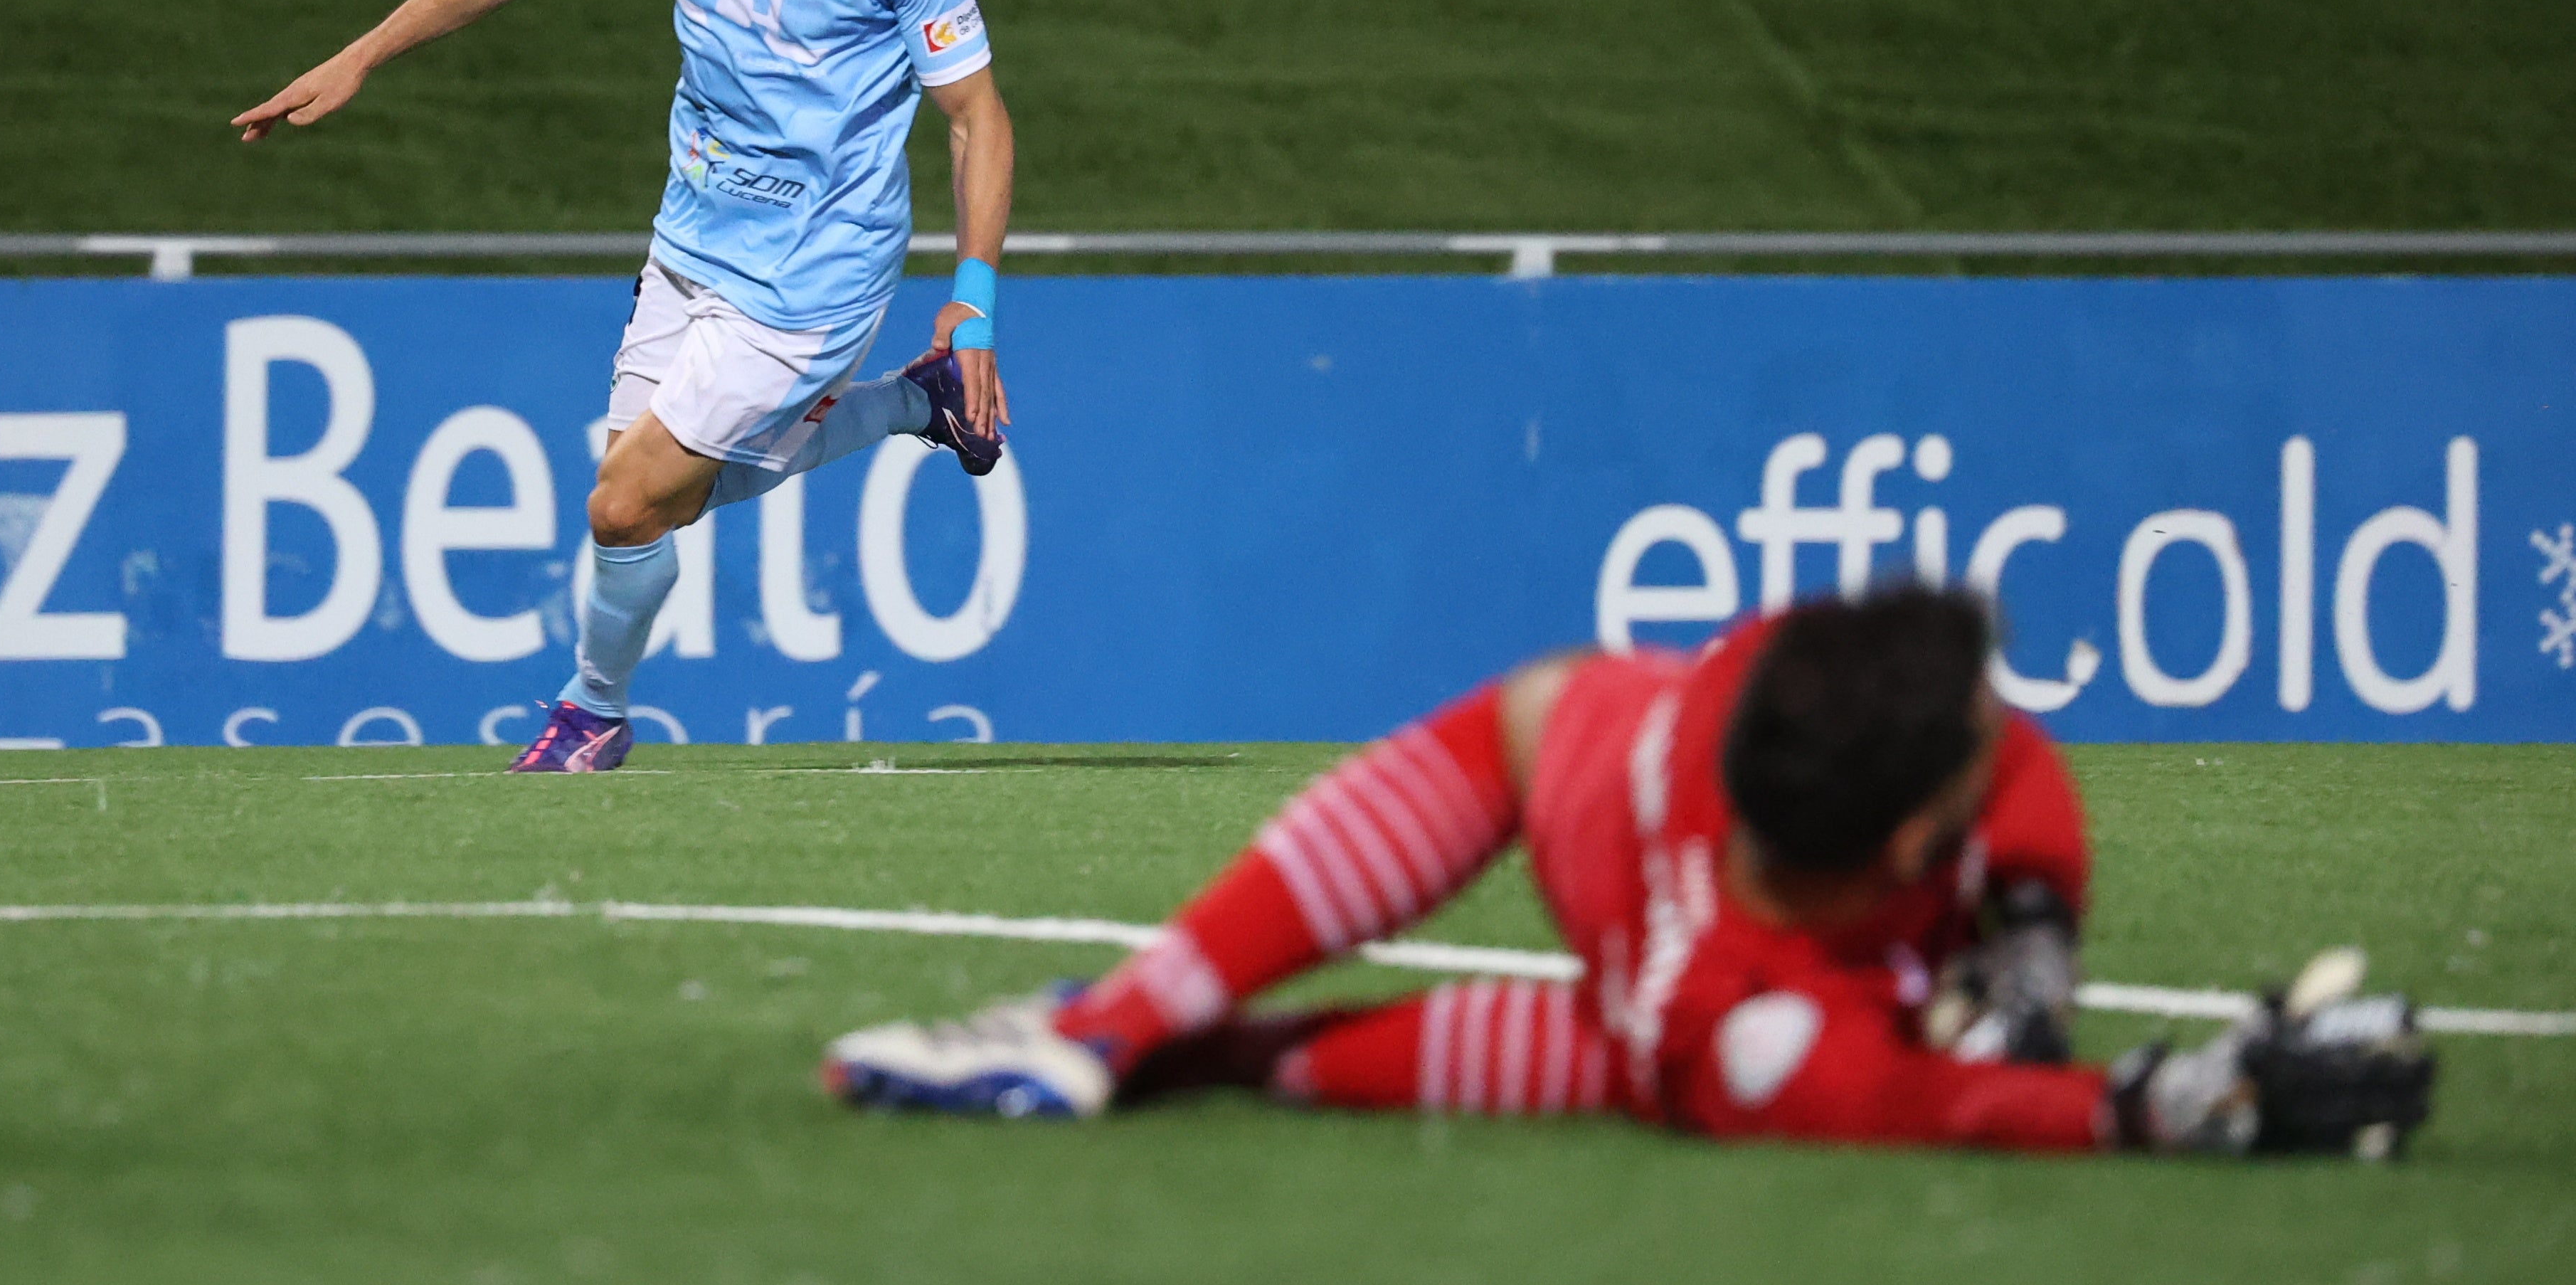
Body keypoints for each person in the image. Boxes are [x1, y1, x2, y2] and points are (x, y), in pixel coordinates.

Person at [823, 587, 2434, 1156]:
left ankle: (1135, 1038)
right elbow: (1924, 1107)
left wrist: (2028, 945)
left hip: (1602, 769)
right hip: (1573, 831)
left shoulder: (1783, 690)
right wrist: (2160, 1100)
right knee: (1622, 1058)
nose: (2006, 751)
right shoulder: (1736, 1032)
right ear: (1898, 853)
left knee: (1293, 1054)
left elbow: (2000, 759)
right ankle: (1118, 1024)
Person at [235, 0, 1013, 773]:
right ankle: (910, 408)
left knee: (622, 502)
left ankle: (590, 712)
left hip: (818, 268)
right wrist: (365, 53)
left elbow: (977, 118)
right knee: (654, 506)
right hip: (691, 237)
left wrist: (972, 305)